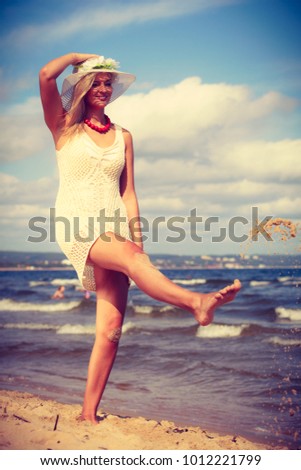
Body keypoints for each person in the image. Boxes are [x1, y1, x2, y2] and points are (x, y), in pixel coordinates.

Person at [39, 53, 241, 424]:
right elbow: (45, 75)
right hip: (76, 222)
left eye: (107, 82)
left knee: (112, 330)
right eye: (95, 82)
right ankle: (196, 303)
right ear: (82, 87)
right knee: (131, 270)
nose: (102, 88)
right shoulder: (63, 127)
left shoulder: (124, 136)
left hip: (115, 227)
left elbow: (129, 193)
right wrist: (78, 59)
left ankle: (88, 414)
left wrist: (138, 248)